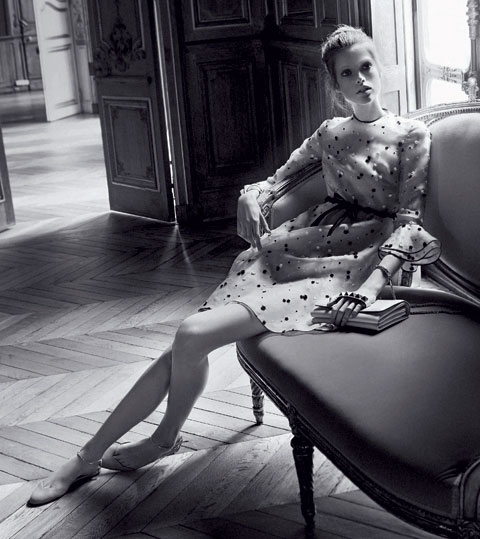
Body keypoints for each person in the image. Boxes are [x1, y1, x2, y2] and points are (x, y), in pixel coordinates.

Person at [28, 25, 441, 506]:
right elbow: (278, 178)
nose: (361, 79)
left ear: (380, 67)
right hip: (303, 248)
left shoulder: (412, 134)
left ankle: (143, 443)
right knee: (188, 341)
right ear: (335, 85)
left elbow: (409, 222)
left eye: (366, 67)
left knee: (189, 334)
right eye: (347, 74)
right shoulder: (331, 133)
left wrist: (372, 285)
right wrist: (251, 194)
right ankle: (96, 454)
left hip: (357, 265)